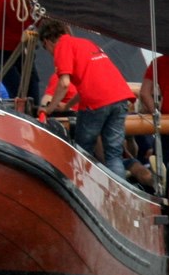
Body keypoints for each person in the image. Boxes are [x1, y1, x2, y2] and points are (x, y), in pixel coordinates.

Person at [37, 17, 132, 179]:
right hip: (121, 97)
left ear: (47, 41)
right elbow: (86, 87)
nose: (50, 53)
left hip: (96, 103)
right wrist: (66, 107)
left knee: (82, 150)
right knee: (114, 154)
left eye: (46, 48)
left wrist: (49, 108)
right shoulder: (86, 43)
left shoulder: (62, 46)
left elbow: (64, 83)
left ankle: (81, 187)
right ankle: (118, 196)